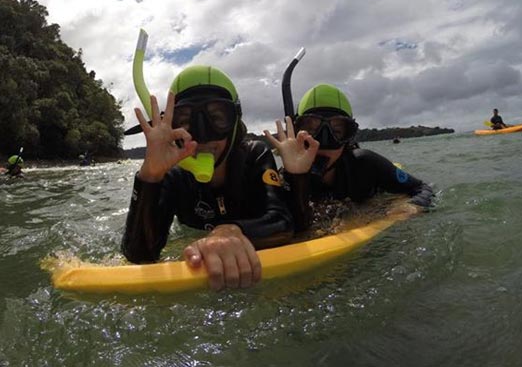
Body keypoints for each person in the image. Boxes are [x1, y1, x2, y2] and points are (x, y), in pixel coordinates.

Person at [121, 65, 294, 290]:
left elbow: (284, 222)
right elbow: (139, 257)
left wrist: (230, 230)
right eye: (186, 121)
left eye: (217, 118)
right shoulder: (174, 175)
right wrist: (150, 176)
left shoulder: (254, 156)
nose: (202, 134)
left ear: (235, 124)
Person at [264, 84, 434, 231]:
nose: (322, 143)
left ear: (348, 138)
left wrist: (412, 206)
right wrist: (297, 177)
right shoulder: (286, 178)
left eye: (336, 132)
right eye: (312, 132)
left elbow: (422, 188)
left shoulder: (365, 164)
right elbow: (292, 227)